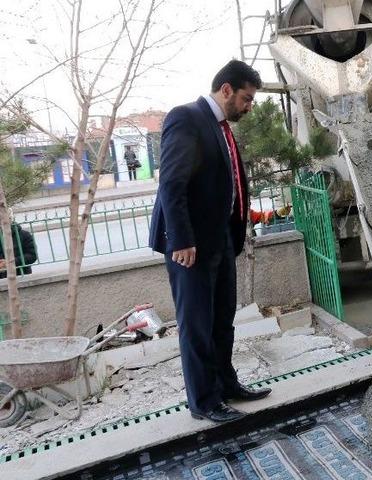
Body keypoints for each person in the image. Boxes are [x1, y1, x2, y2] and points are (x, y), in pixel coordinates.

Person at [149, 59, 269, 423]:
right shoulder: (186, 117)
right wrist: (181, 240)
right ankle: (204, 401)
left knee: (221, 321)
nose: (249, 108)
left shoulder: (220, 126)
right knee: (197, 325)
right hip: (191, 248)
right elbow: (171, 182)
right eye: (247, 99)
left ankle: (225, 385)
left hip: (219, 242)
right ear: (227, 90)